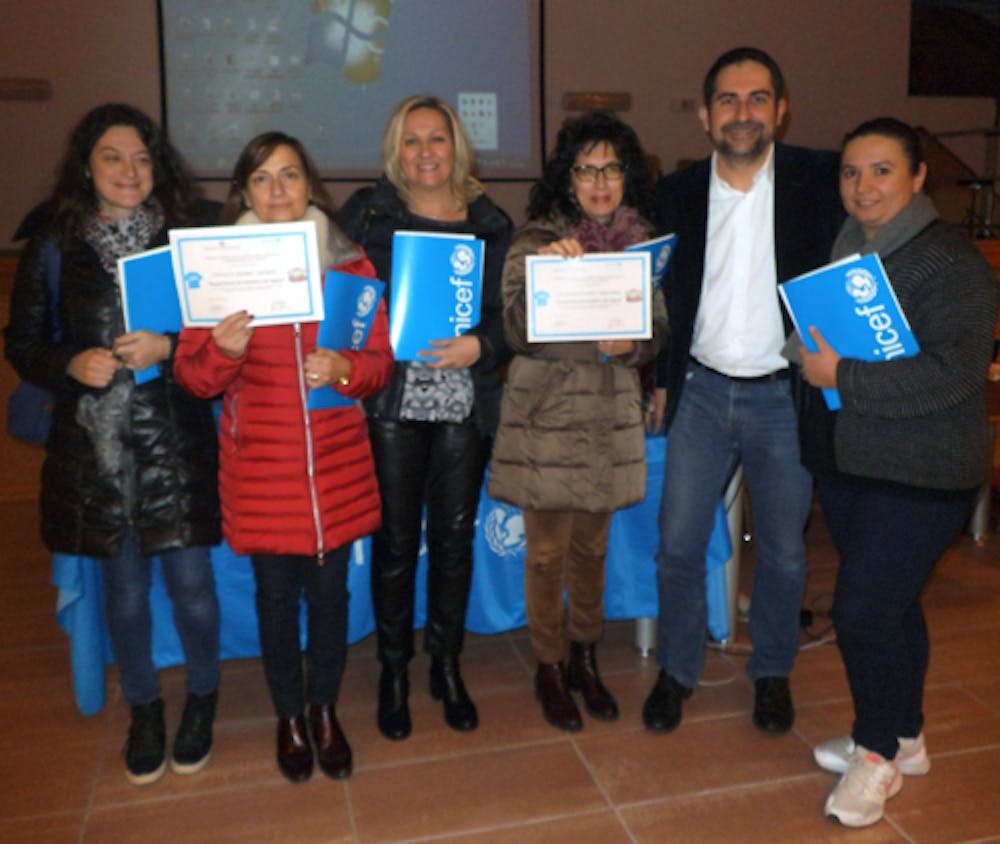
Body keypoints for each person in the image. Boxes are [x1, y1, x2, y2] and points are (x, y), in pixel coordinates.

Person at [4, 103, 222, 785]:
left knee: (192, 588)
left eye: (142, 157)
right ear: (86, 164)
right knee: (124, 596)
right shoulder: (51, 242)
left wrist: (174, 343)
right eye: (112, 156)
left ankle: (204, 702)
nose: (129, 171)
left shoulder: (188, 234)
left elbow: (224, 333)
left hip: (173, 438)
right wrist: (70, 364)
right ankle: (146, 710)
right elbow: (23, 343)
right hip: (95, 452)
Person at [173, 132, 393, 782]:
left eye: (290, 176)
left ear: (309, 187)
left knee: (330, 600)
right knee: (276, 602)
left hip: (336, 473)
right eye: (263, 178)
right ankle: (289, 716)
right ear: (244, 192)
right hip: (263, 477)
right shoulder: (219, 269)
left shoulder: (349, 265)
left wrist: (345, 367)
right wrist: (223, 349)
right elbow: (193, 378)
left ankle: (324, 710)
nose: (278, 190)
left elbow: (379, 365)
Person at [797, 118, 998, 828]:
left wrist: (841, 374)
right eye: (852, 172)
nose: (863, 186)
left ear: (918, 178)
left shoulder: (951, 262)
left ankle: (876, 755)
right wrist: (806, 345)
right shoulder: (853, 247)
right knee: (893, 604)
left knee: (860, 613)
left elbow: (954, 374)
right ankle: (906, 736)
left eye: (881, 170)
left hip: (926, 469)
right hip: (860, 461)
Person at [643, 47, 844, 735]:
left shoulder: (819, 181)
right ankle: (676, 669)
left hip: (783, 397)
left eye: (758, 98)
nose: (742, 113)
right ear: (704, 115)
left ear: (780, 111)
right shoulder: (674, 193)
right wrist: (662, 381)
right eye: (727, 100)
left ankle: (772, 673)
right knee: (676, 543)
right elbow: (656, 292)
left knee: (786, 550)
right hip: (699, 390)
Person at [338, 95, 512, 740]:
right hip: (392, 405)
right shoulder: (369, 213)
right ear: (395, 150)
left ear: (456, 145)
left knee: (455, 540)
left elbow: (506, 319)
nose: (425, 152)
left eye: (436, 138)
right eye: (411, 141)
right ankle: (392, 669)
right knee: (394, 542)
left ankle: (446, 663)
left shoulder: (492, 222)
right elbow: (341, 294)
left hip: (463, 406)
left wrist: (481, 346)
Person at [488, 111, 668, 732]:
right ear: (567, 179)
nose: (599, 182)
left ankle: (585, 659)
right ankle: (548, 666)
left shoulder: (642, 245)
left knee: (593, 549)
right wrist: (550, 276)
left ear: (626, 178)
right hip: (547, 420)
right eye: (586, 169)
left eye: (611, 169)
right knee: (545, 555)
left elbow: (659, 329)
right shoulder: (535, 240)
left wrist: (634, 346)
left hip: (607, 422)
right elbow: (514, 331)